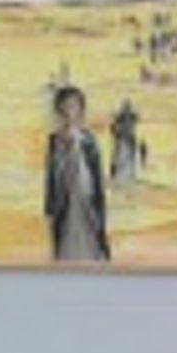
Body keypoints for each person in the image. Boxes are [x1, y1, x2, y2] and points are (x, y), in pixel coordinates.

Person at [44, 86, 110, 263]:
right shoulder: (54, 141)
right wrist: (50, 209)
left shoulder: (88, 141)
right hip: (64, 204)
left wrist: (100, 212)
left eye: (73, 106)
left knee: (91, 249)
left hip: (86, 203)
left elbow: (97, 181)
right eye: (65, 107)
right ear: (58, 110)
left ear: (81, 110)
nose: (69, 112)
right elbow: (51, 178)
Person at [110, 99, 142, 182]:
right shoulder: (121, 117)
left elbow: (137, 118)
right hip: (122, 140)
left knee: (128, 158)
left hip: (128, 139)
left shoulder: (130, 116)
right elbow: (113, 127)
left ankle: (128, 176)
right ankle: (119, 176)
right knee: (120, 157)